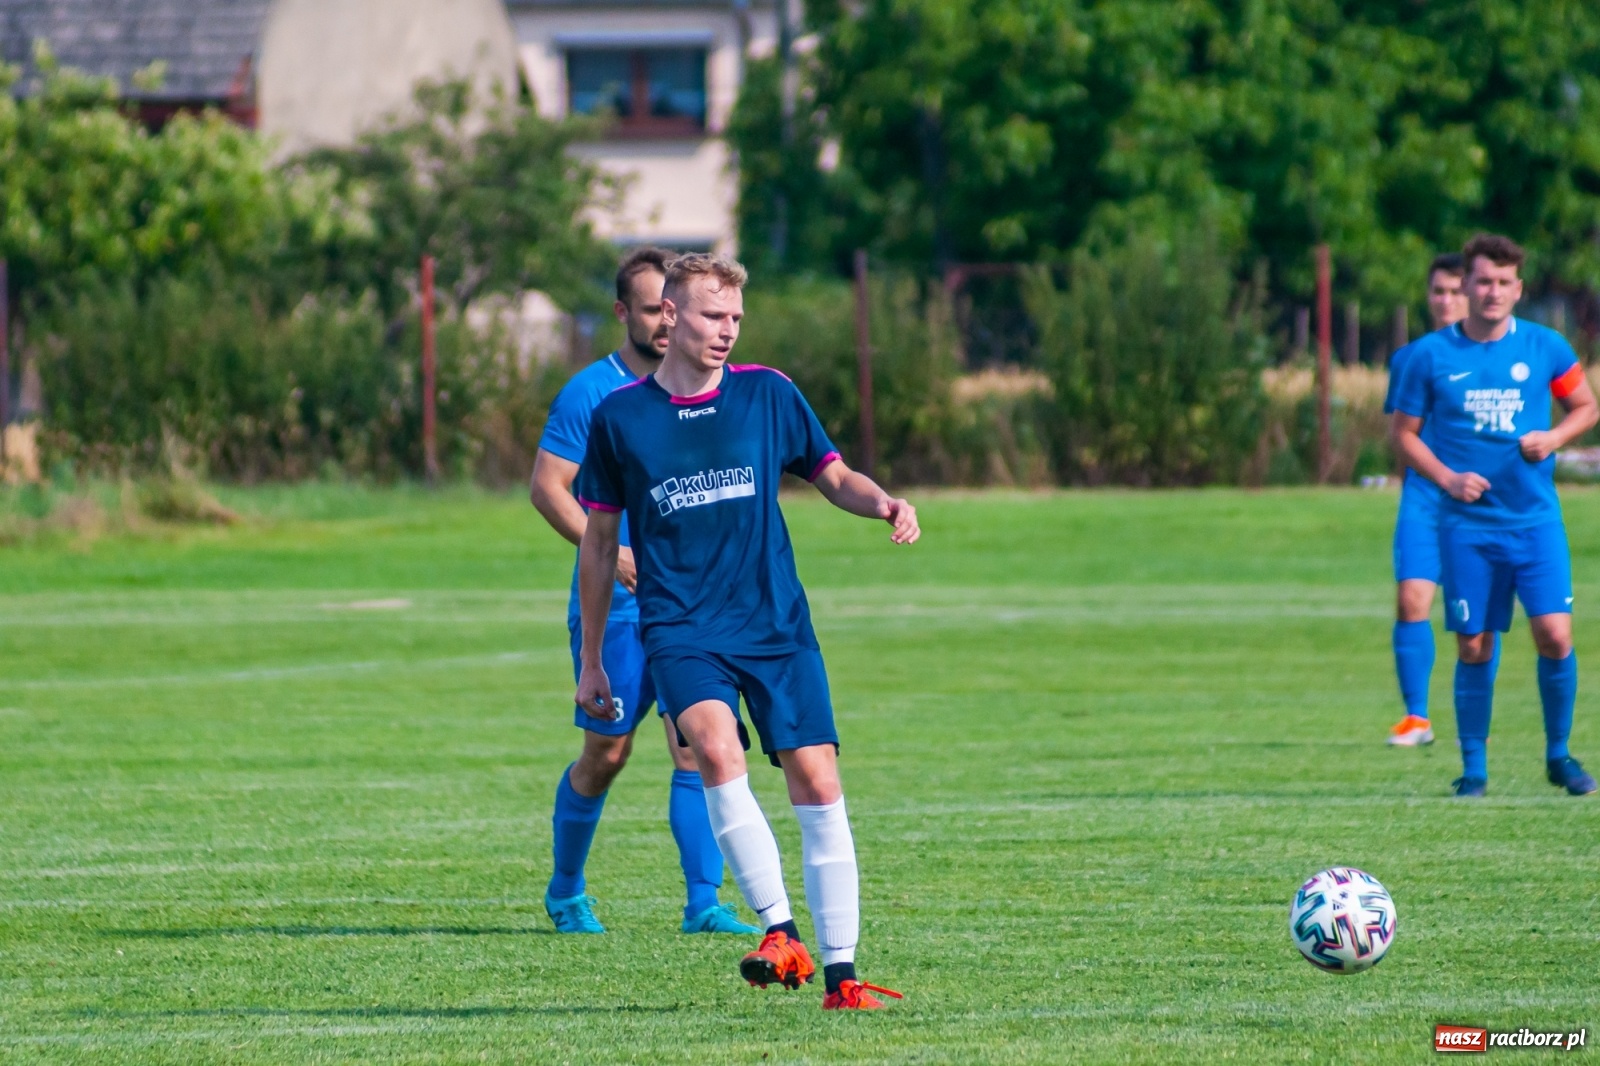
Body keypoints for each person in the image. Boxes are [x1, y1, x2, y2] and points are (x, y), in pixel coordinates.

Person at [573, 253, 921, 1009]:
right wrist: (595, 660)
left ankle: (842, 977)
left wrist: (884, 502)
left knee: (819, 781)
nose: (725, 330)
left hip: (774, 620)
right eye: (709, 316)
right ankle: (778, 929)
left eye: (735, 317)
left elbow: (833, 476)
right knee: (716, 750)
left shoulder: (769, 395)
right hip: (681, 627)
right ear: (670, 315)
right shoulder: (619, 418)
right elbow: (599, 545)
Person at [529, 247, 758, 935]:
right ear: (625, 312)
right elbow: (547, 488)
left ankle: (704, 903)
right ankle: (566, 890)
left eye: (674, 305)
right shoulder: (591, 394)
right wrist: (614, 552)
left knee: (698, 742)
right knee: (609, 751)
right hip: (622, 608)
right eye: (656, 307)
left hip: (690, 607)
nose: (668, 319)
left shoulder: (709, 387)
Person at [1390, 233, 1599, 796]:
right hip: (1468, 527)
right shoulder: (1431, 357)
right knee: (1474, 644)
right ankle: (1474, 771)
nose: (1493, 291)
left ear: (1519, 288)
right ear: (1467, 285)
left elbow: (1586, 406)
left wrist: (1554, 436)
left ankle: (1558, 755)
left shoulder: (1545, 347)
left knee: (1555, 635)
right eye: (1482, 281)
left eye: (1505, 282)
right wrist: (1448, 479)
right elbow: (1404, 436)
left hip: (1534, 522)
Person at [1384, 254, 1471, 746]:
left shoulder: (1495, 357)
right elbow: (1400, 435)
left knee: (1473, 618)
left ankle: (1473, 719)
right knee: (1411, 598)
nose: (1446, 300)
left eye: (1455, 290)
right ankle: (1417, 718)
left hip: (1477, 502)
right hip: (1423, 497)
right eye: (1438, 291)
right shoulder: (1410, 358)